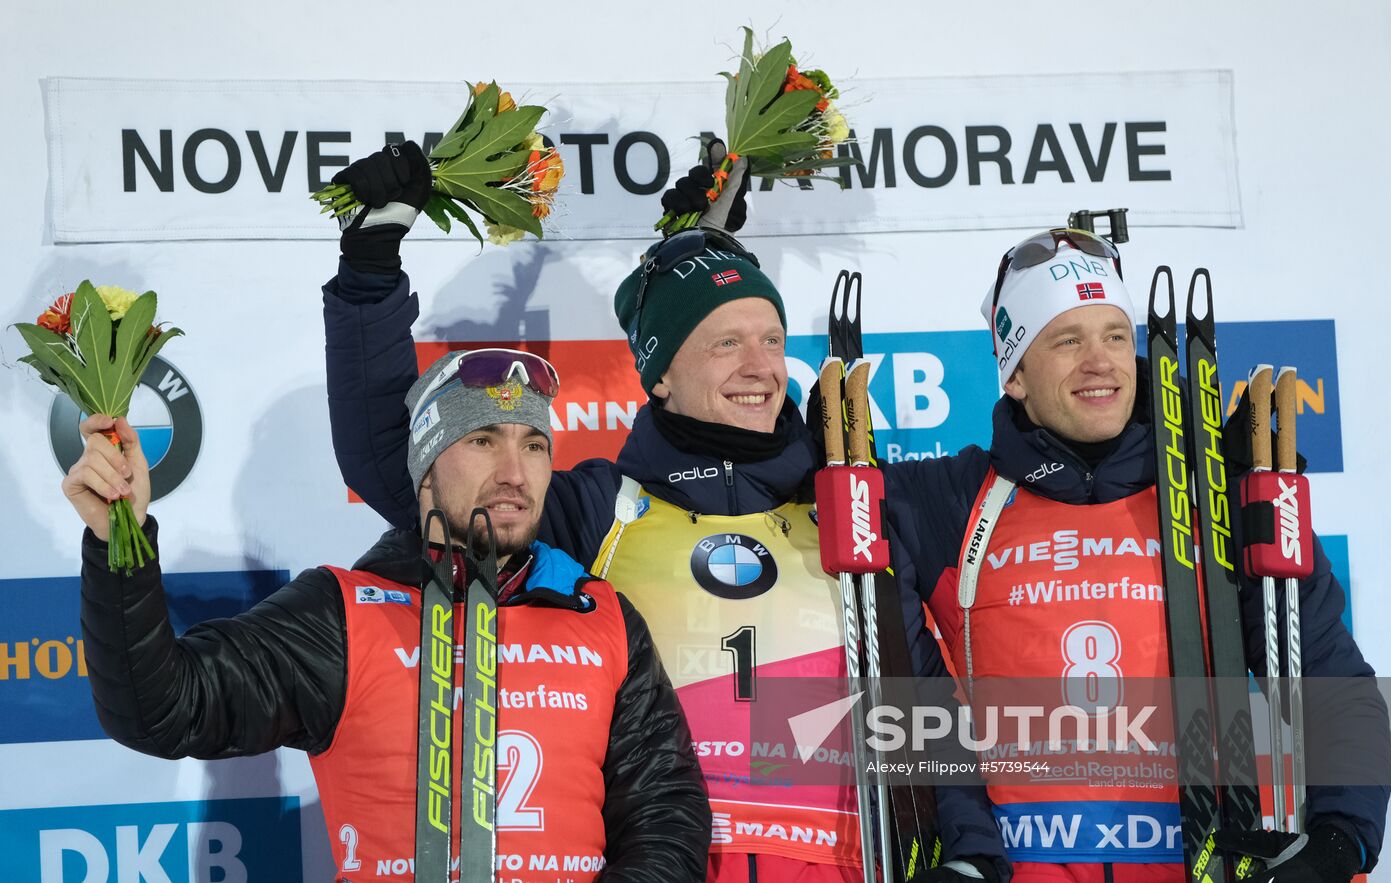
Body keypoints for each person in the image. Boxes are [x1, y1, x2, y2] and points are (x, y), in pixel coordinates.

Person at [322, 144, 1010, 882]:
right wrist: (369, 271)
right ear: (660, 377)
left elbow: (914, 692)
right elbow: (406, 466)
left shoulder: (845, 502)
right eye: (725, 343)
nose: (760, 365)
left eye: (771, 339)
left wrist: (970, 855)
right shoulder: (596, 511)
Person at [65, 347, 710, 882]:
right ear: (426, 468)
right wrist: (118, 540)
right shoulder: (343, 612)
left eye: (535, 445)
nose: (515, 472)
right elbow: (161, 711)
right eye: (482, 440)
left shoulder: (601, 616)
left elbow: (666, 814)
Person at [888, 228, 1390, 882]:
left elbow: (1330, 679)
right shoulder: (947, 499)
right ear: (1014, 373)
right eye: (1067, 340)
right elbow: (762, 461)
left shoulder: (1217, 493)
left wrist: (1339, 841)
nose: (1100, 361)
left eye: (1116, 335)